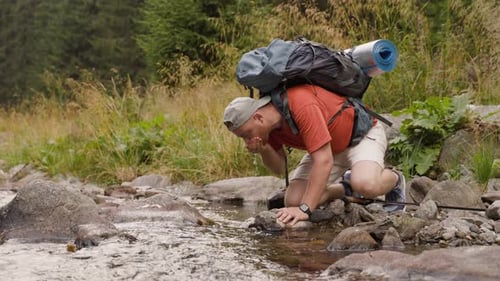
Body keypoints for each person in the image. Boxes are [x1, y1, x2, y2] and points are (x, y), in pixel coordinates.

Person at [223, 84, 405, 226]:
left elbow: (323, 161)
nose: (247, 140)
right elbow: (279, 168)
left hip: (361, 136)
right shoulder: (267, 129)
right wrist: (264, 148)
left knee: (366, 184)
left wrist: (305, 210)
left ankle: (395, 180)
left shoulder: (301, 104)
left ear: (258, 117)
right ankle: (345, 187)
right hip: (328, 147)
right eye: (244, 138)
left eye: (247, 135)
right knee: (292, 200)